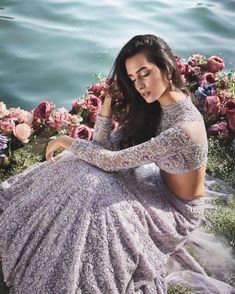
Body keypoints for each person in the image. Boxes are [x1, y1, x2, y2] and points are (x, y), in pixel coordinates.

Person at [0, 34, 208, 293]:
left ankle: (69, 270)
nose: (140, 85)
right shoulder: (155, 106)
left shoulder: (185, 128)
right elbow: (100, 146)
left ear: (166, 69)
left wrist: (67, 140)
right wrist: (107, 103)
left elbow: (110, 161)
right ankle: (30, 232)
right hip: (152, 183)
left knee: (92, 183)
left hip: (173, 211)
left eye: (144, 73)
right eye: (133, 79)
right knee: (77, 165)